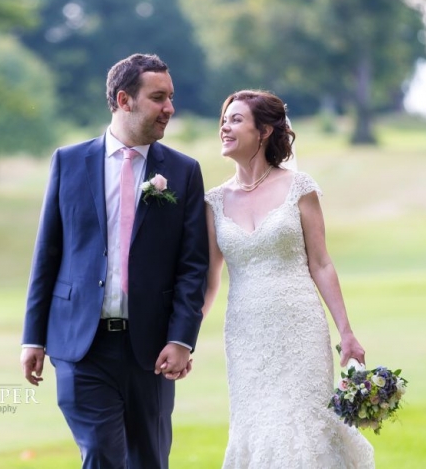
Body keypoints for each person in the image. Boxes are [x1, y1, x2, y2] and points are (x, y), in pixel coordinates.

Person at [20, 53, 209, 468]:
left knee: (149, 460)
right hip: (79, 345)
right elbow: (47, 253)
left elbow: (192, 267)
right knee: (102, 453)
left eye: (171, 98)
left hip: (151, 349)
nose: (170, 109)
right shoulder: (68, 162)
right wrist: (33, 336)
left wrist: (181, 339)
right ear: (125, 100)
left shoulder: (183, 172)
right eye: (159, 97)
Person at [203, 90, 375, 468]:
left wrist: (346, 332)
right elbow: (210, 281)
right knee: (258, 428)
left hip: (300, 331)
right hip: (246, 337)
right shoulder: (213, 202)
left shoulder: (299, 187)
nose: (224, 128)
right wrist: (183, 338)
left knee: (302, 429)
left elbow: (322, 263)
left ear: (263, 131)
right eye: (224, 120)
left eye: (235, 120)